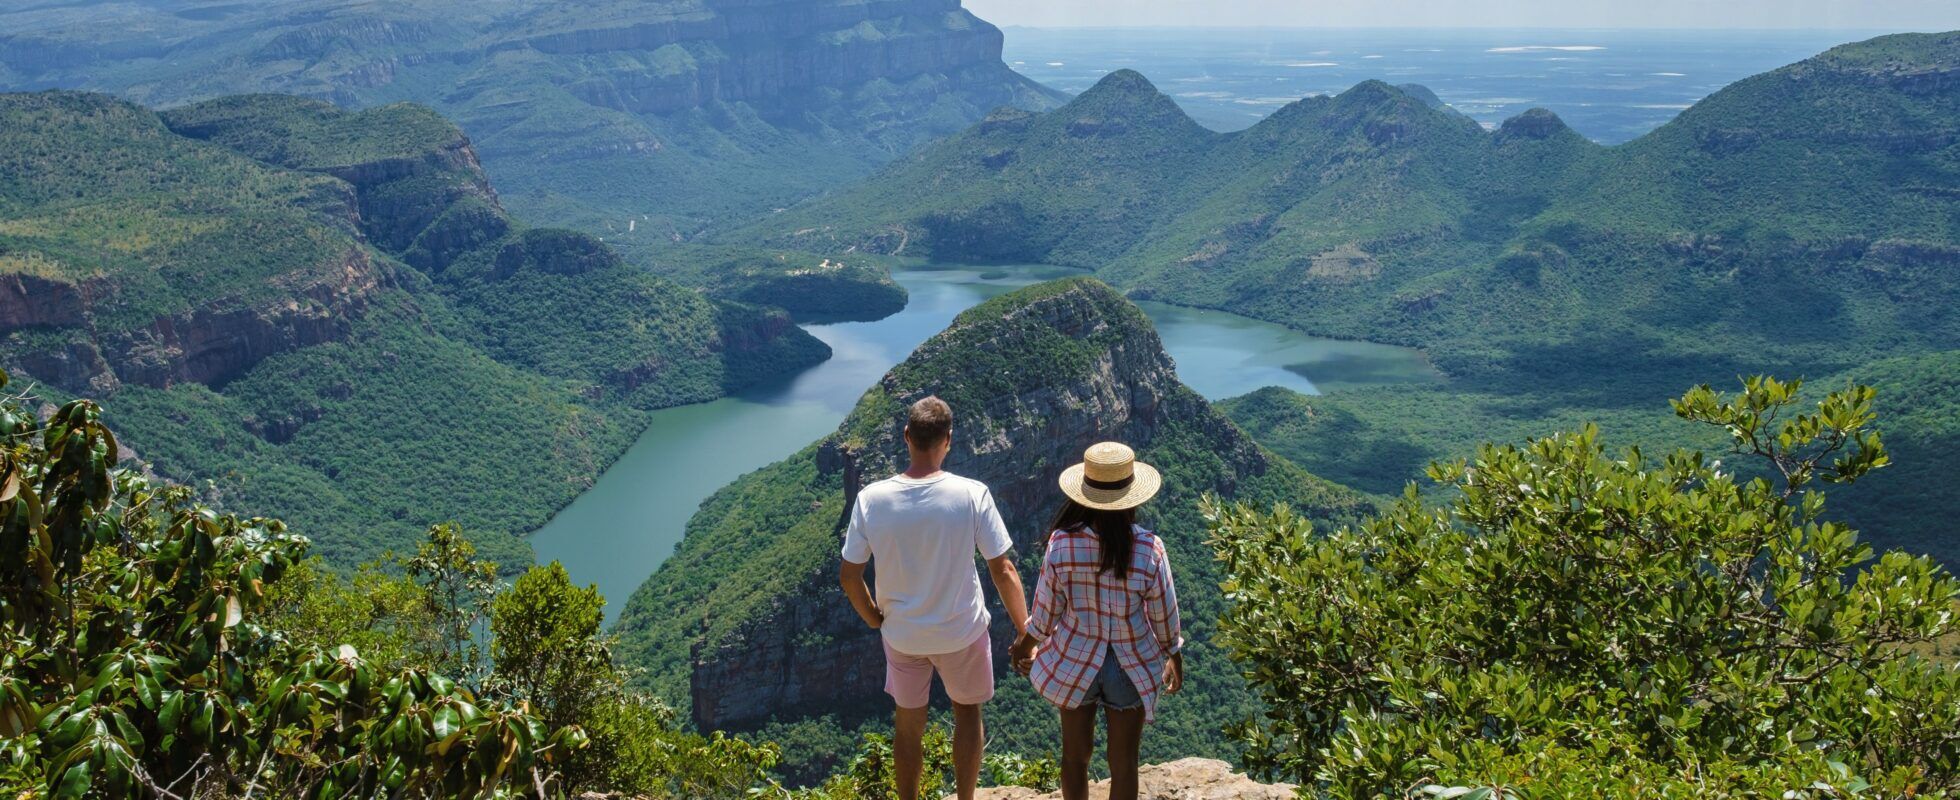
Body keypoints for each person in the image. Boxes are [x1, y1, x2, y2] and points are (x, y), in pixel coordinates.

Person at [839, 396, 1029, 800]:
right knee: (967, 714)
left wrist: (875, 618)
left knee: (908, 727)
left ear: (907, 437)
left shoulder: (871, 499)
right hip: (961, 632)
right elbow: (1004, 569)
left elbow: (849, 576)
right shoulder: (972, 494)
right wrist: (1025, 630)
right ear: (949, 440)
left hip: (903, 636)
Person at [1009, 441, 1184, 800]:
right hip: (1130, 664)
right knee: (1124, 764)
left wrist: (1024, 645)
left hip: (1074, 659)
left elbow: (1045, 613)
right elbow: (1164, 616)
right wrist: (1173, 656)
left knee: (1074, 758)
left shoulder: (1061, 545)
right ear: (1131, 497)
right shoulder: (1150, 548)